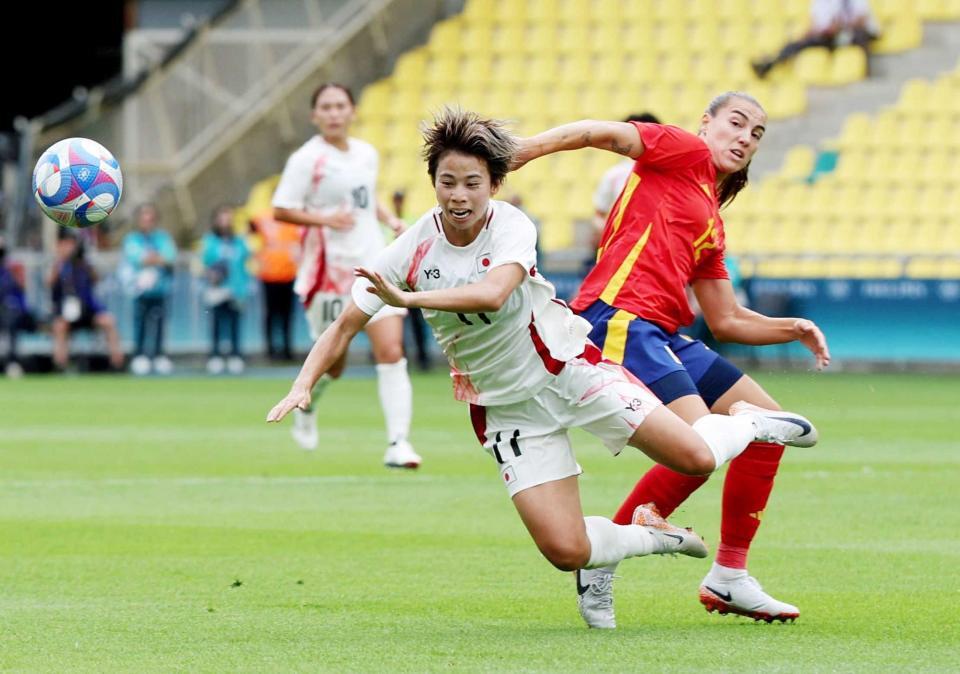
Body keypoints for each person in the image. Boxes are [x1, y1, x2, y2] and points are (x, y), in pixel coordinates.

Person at [268, 108, 821, 627]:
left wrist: (408, 302)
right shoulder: (408, 252)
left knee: (697, 454)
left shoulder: (511, 225)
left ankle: (746, 428)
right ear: (432, 183)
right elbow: (342, 326)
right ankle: (653, 538)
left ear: (494, 186)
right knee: (566, 551)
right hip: (509, 405)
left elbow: (492, 292)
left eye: (473, 183)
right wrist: (302, 383)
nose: (460, 196)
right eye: (448, 183)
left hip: (570, 370)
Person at [515, 92, 831, 626]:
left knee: (765, 432)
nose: (744, 138)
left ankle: (728, 576)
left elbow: (726, 318)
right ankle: (611, 547)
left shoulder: (711, 216)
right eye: (736, 124)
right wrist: (524, 150)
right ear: (705, 124)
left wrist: (790, 328)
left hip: (661, 333)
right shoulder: (680, 149)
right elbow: (602, 131)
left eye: (756, 135)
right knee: (704, 442)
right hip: (617, 321)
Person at [272, 82, 420, 469]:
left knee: (390, 351)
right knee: (334, 365)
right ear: (314, 115)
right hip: (328, 273)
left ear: (353, 111)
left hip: (372, 262)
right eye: (326, 107)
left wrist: (389, 219)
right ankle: (307, 403)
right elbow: (282, 209)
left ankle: (398, 443)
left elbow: (367, 199)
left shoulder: (366, 154)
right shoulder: (307, 160)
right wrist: (324, 218)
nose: (334, 113)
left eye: (341, 105)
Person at [48, 229, 124, 371]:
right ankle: (60, 366)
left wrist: (84, 260)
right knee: (60, 326)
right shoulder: (59, 264)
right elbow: (49, 283)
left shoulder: (84, 264)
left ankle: (118, 365)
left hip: (87, 310)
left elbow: (96, 279)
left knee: (109, 321)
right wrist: (61, 261)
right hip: (67, 312)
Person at [751, 0, 880, 79]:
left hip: (856, 33)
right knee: (798, 43)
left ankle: (867, 71)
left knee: (859, 35)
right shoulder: (821, 2)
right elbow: (818, 25)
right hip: (833, 37)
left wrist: (839, 27)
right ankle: (770, 64)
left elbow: (861, 19)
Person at [122, 203, 177, 375]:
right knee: (140, 322)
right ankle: (140, 355)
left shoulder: (163, 238)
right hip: (140, 290)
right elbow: (136, 258)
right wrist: (155, 258)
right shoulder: (132, 238)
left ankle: (159, 355)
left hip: (160, 288)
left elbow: (169, 257)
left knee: (160, 323)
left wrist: (150, 258)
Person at [201, 205, 251, 375]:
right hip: (217, 289)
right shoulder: (210, 241)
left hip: (236, 288)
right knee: (216, 322)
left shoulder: (238, 241)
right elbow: (205, 262)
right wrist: (213, 274)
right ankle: (215, 355)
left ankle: (236, 355)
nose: (225, 222)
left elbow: (245, 259)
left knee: (234, 322)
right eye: (222, 218)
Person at [250, 210, 300, 362]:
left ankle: (286, 349)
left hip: (289, 274)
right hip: (269, 275)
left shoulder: (293, 222)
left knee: (287, 315)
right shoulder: (265, 219)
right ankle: (271, 349)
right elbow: (250, 227)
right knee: (271, 315)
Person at [392, 189, 431, 371]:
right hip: (393, 281)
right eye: (396, 199)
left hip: (411, 280)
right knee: (395, 322)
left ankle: (422, 357)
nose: (398, 202)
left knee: (417, 321)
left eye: (400, 199)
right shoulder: (388, 223)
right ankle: (400, 357)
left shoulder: (413, 221)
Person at [0, 235, 36, 377]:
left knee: (10, 321)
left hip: (16, 314)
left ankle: (12, 363)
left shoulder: (12, 267)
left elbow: (21, 286)